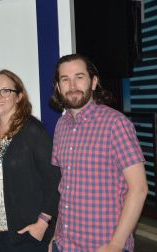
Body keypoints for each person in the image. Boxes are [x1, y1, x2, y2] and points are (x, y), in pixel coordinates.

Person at [50, 54, 148, 252]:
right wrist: (55, 238)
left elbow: (138, 189)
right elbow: (66, 187)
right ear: (59, 88)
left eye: (79, 77)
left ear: (93, 82)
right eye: (65, 79)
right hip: (65, 245)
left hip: (103, 246)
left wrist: (116, 245)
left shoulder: (116, 124)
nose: (72, 85)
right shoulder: (61, 125)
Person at [0, 69, 61, 252]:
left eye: (6, 90)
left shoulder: (32, 130)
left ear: (19, 97)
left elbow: (54, 179)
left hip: (26, 233)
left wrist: (43, 222)